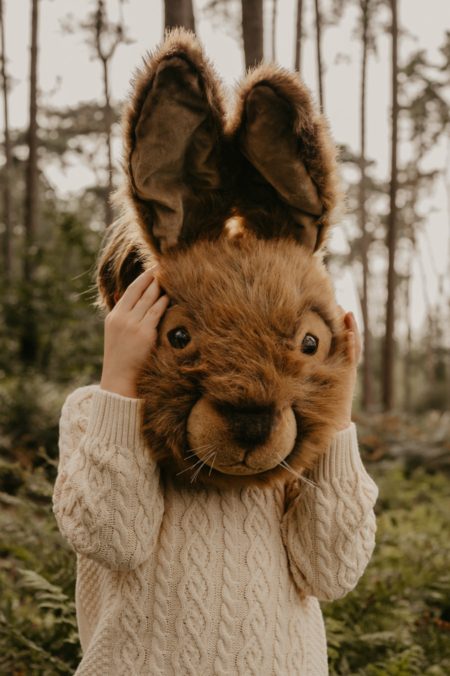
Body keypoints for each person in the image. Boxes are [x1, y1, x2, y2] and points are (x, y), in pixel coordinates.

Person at [53, 267, 378, 675]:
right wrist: (119, 381)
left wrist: (335, 410)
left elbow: (332, 573)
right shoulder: (94, 411)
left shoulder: (287, 426)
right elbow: (116, 541)